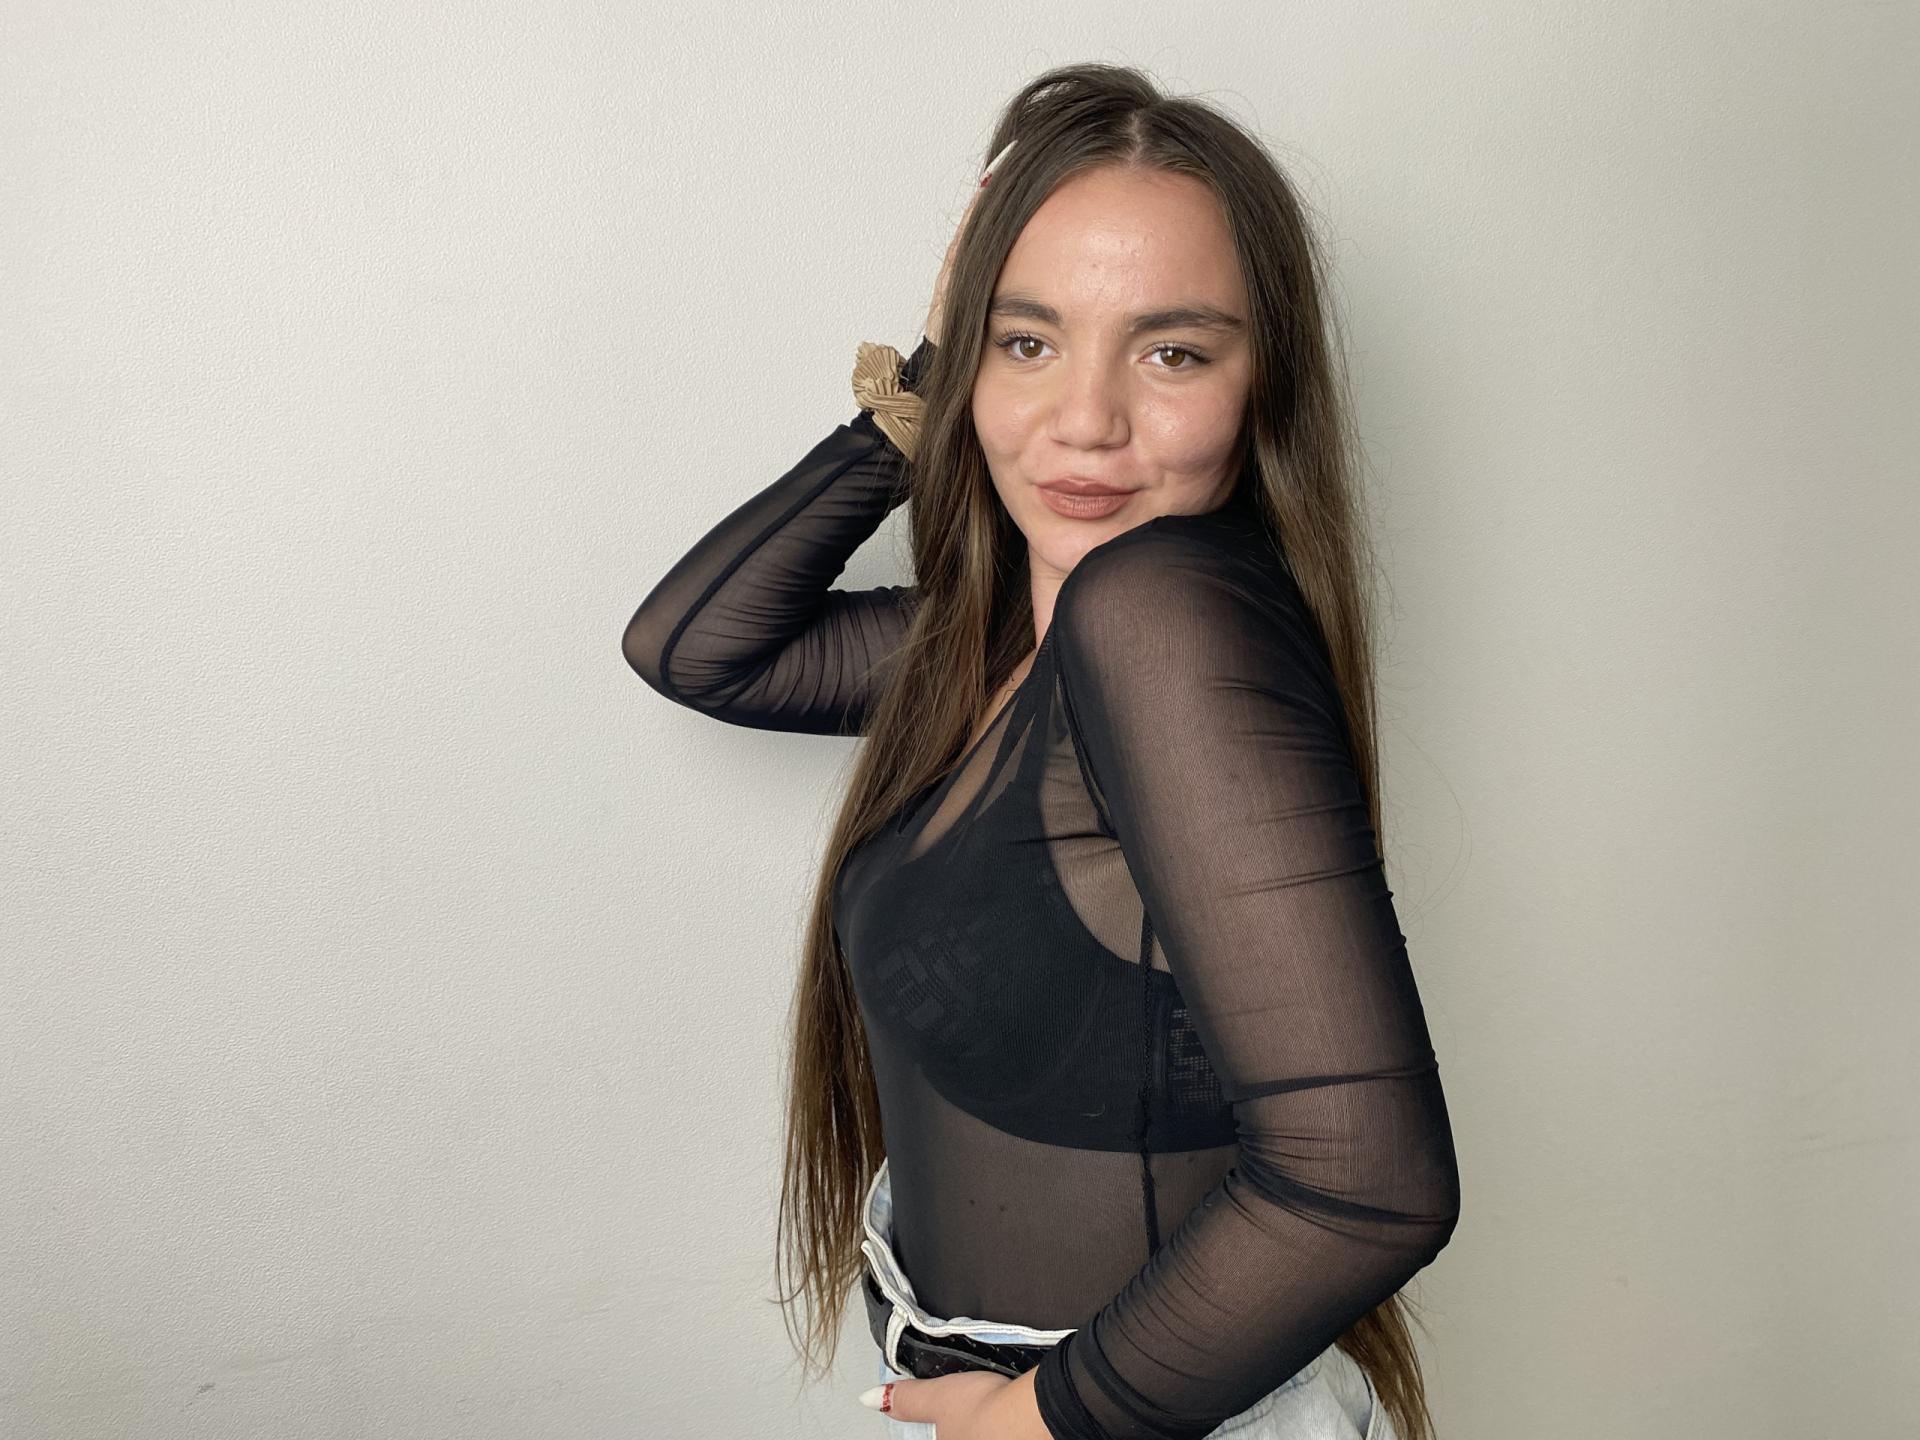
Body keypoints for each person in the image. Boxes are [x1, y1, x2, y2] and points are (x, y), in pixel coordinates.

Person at [623, 62, 1460, 1440]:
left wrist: (1040, 1422)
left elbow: (1367, 1181)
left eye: (1172, 352)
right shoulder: (1006, 641)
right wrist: (925, 385)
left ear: (1263, 386)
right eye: (1028, 343)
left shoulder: (1160, 616)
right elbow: (699, 648)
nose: (1084, 420)